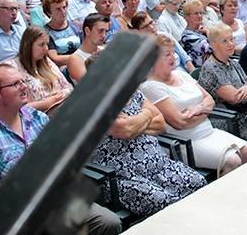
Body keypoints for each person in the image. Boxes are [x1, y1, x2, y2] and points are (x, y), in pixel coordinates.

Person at [0, 65, 121, 234]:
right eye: (15, 84)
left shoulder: (37, 118)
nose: (24, 86)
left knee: (108, 222)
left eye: (23, 81)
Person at [88, 59, 206, 219]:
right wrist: (148, 114)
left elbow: (161, 124)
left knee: (198, 183)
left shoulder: (132, 92)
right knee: (163, 202)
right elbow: (125, 130)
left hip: (160, 165)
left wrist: (137, 120)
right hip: (124, 176)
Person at [142, 34, 247, 175]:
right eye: (167, 54)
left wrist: (199, 108)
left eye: (173, 53)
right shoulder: (151, 87)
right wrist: (206, 111)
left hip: (208, 130)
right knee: (233, 161)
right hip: (185, 142)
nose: (173, 57)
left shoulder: (181, 75)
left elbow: (209, 99)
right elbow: (179, 123)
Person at [3, 26, 72, 114]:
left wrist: (63, 94)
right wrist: (49, 102)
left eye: (46, 44)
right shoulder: (13, 67)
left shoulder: (46, 61)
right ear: (28, 45)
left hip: (63, 105)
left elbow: (68, 87)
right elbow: (19, 107)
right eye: (41, 44)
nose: (46, 48)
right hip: (41, 115)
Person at [67, 14, 110, 83]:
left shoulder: (104, 50)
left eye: (106, 31)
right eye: (100, 31)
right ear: (87, 31)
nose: (104, 35)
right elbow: (89, 85)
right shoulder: (75, 59)